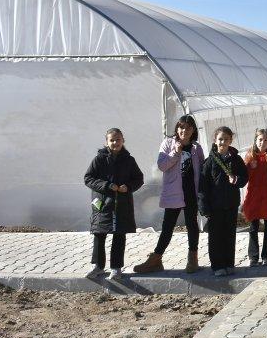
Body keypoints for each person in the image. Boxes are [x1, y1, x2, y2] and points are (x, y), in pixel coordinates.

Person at [134, 115, 203, 275]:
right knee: (168, 226)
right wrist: (174, 153)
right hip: (174, 192)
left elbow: (201, 168)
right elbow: (162, 165)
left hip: (191, 192)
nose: (184, 131)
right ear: (177, 129)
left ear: (193, 130)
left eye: (187, 128)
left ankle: (193, 259)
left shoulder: (196, 148)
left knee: (192, 225)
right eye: (181, 127)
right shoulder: (168, 143)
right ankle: (156, 259)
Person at [84, 128, 144, 280]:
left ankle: (116, 268)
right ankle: (97, 266)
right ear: (107, 142)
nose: (115, 143)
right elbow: (88, 178)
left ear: (123, 140)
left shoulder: (129, 160)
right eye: (112, 140)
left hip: (121, 205)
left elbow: (138, 179)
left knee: (119, 235)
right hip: (102, 205)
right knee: (99, 234)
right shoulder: (99, 159)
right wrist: (106, 185)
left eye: (118, 140)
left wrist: (128, 187)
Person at [198, 126, 248, 277]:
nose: (223, 142)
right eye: (220, 139)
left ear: (231, 140)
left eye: (226, 139)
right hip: (215, 207)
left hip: (231, 204)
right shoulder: (209, 162)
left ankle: (229, 263)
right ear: (215, 140)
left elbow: (244, 178)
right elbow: (202, 187)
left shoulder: (236, 159)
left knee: (229, 235)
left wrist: (237, 179)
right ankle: (217, 266)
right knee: (215, 237)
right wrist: (204, 207)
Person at [242, 129, 267, 267]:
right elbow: (245, 177)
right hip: (254, 196)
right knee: (253, 227)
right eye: (260, 140)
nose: (262, 143)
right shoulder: (250, 156)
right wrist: (250, 167)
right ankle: (253, 256)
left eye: (265, 140)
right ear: (255, 141)